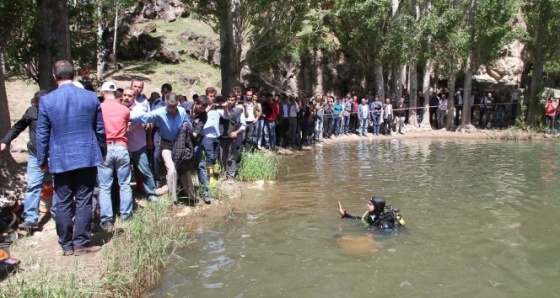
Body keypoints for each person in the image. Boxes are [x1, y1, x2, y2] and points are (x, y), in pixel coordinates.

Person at [36, 60, 105, 256]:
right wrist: (102, 150)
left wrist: (42, 160)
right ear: (74, 75)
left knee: (63, 201)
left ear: (54, 76)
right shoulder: (90, 97)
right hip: (87, 155)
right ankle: (81, 243)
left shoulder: (47, 101)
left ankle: (66, 245)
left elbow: (42, 134)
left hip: (60, 158)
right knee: (84, 200)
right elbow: (99, 129)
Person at [130, 92, 190, 205]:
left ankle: (191, 196)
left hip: (179, 144)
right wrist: (129, 117)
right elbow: (146, 117)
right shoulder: (160, 112)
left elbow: (186, 121)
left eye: (174, 106)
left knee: (184, 170)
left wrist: (187, 125)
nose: (171, 109)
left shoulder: (181, 111)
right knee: (171, 171)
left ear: (177, 103)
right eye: (169, 106)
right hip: (166, 145)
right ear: (165, 103)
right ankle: (174, 201)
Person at [1, 90, 47, 230]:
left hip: (54, 154)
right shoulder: (32, 112)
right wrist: (5, 141)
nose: (39, 108)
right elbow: (18, 127)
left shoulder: (54, 111)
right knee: (33, 185)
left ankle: (60, 216)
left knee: (61, 184)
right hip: (35, 154)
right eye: (37, 105)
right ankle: (31, 219)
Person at [97, 82, 133, 231]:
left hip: (105, 147)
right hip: (121, 147)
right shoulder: (124, 109)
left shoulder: (99, 108)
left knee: (105, 186)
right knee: (124, 184)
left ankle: (107, 220)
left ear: (103, 92)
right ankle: (126, 216)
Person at [337, 197, 405, 232]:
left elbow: (387, 235)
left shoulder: (385, 224)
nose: (367, 205)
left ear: (377, 207)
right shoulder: (373, 217)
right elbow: (361, 219)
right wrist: (345, 215)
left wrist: (373, 238)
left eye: (370, 204)